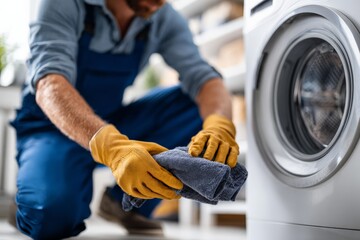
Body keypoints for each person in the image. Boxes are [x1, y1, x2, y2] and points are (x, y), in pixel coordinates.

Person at [9, 0, 240, 239]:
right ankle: (29, 199)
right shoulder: (64, 4)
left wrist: (220, 126)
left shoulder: (162, 15)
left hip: (111, 121)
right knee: (51, 216)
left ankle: (126, 203)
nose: (159, 3)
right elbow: (49, 83)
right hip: (50, 129)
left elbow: (205, 79)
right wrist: (112, 148)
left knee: (198, 104)